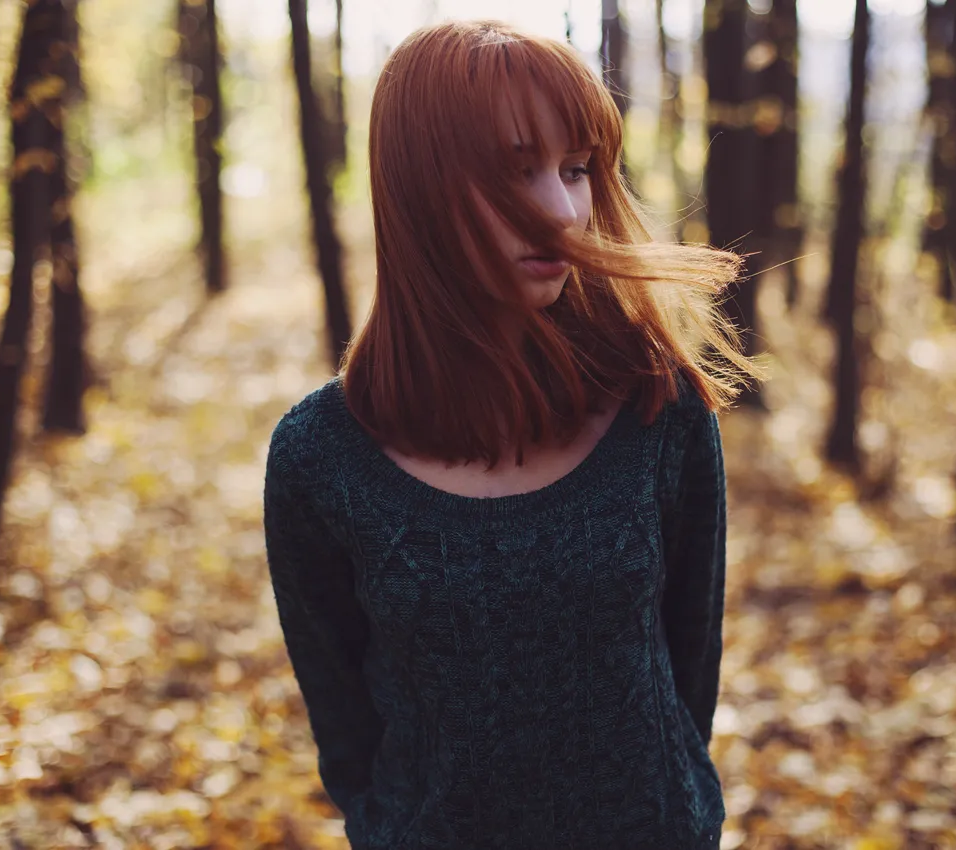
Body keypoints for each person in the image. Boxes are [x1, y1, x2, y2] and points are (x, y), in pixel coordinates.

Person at [262, 18, 770, 850]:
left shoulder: (658, 407)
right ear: (420, 188)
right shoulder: (321, 460)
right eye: (514, 170)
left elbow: (689, 673)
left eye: (575, 170)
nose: (562, 209)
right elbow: (347, 734)